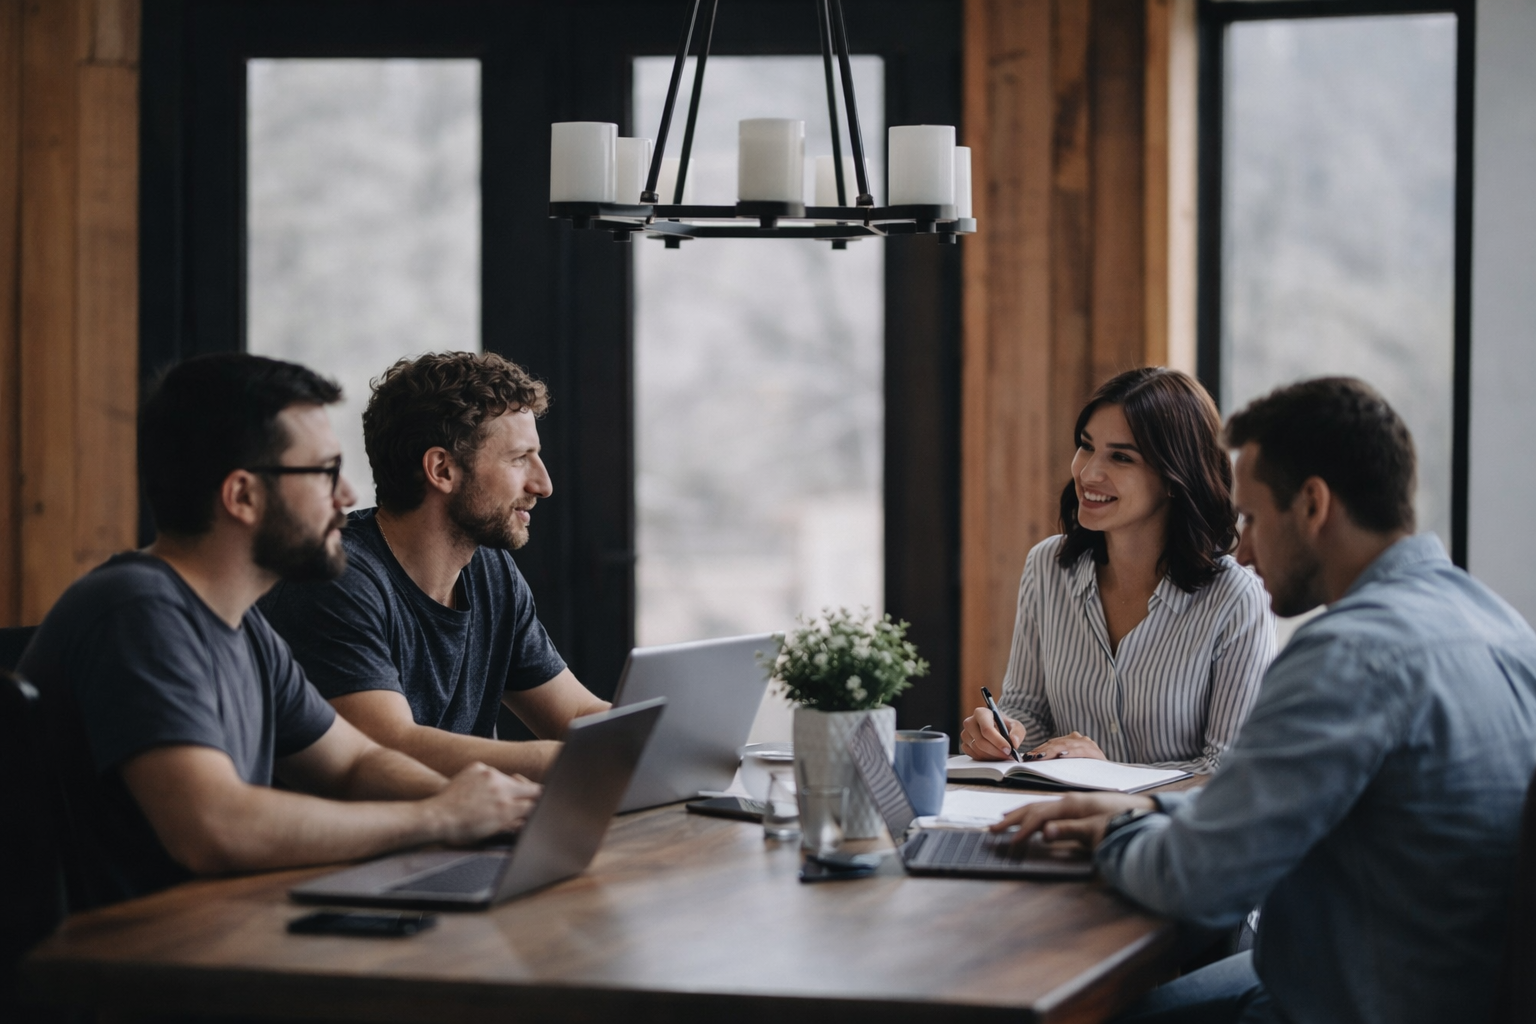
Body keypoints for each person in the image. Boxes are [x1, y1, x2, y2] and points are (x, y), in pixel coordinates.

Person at [994, 377, 1536, 1024]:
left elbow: (1199, 880)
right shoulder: (1503, 626)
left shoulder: (1350, 657)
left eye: (1251, 518)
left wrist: (1115, 827)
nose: (1243, 550)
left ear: (1312, 505)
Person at [18, 354, 539, 911]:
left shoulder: (243, 629)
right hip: (129, 977)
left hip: (217, 947)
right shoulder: (136, 612)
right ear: (242, 496)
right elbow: (215, 827)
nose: (345, 496)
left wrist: (492, 809)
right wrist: (437, 817)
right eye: (322, 472)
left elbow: (352, 764)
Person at [260, 352, 609, 783]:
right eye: (520, 458)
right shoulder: (336, 578)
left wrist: (679, 740)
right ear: (442, 469)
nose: (543, 484)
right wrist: (572, 761)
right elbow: (390, 746)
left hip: (461, 837)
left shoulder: (490, 572)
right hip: (364, 846)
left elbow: (577, 712)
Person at [960, 367, 1274, 774]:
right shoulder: (1047, 567)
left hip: (1168, 835)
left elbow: (1230, 773)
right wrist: (1005, 736)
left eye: (1121, 457)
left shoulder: (1237, 598)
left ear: (1173, 478)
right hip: (1060, 823)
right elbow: (1030, 710)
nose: (1088, 472)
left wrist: (1111, 775)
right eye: (1086, 446)